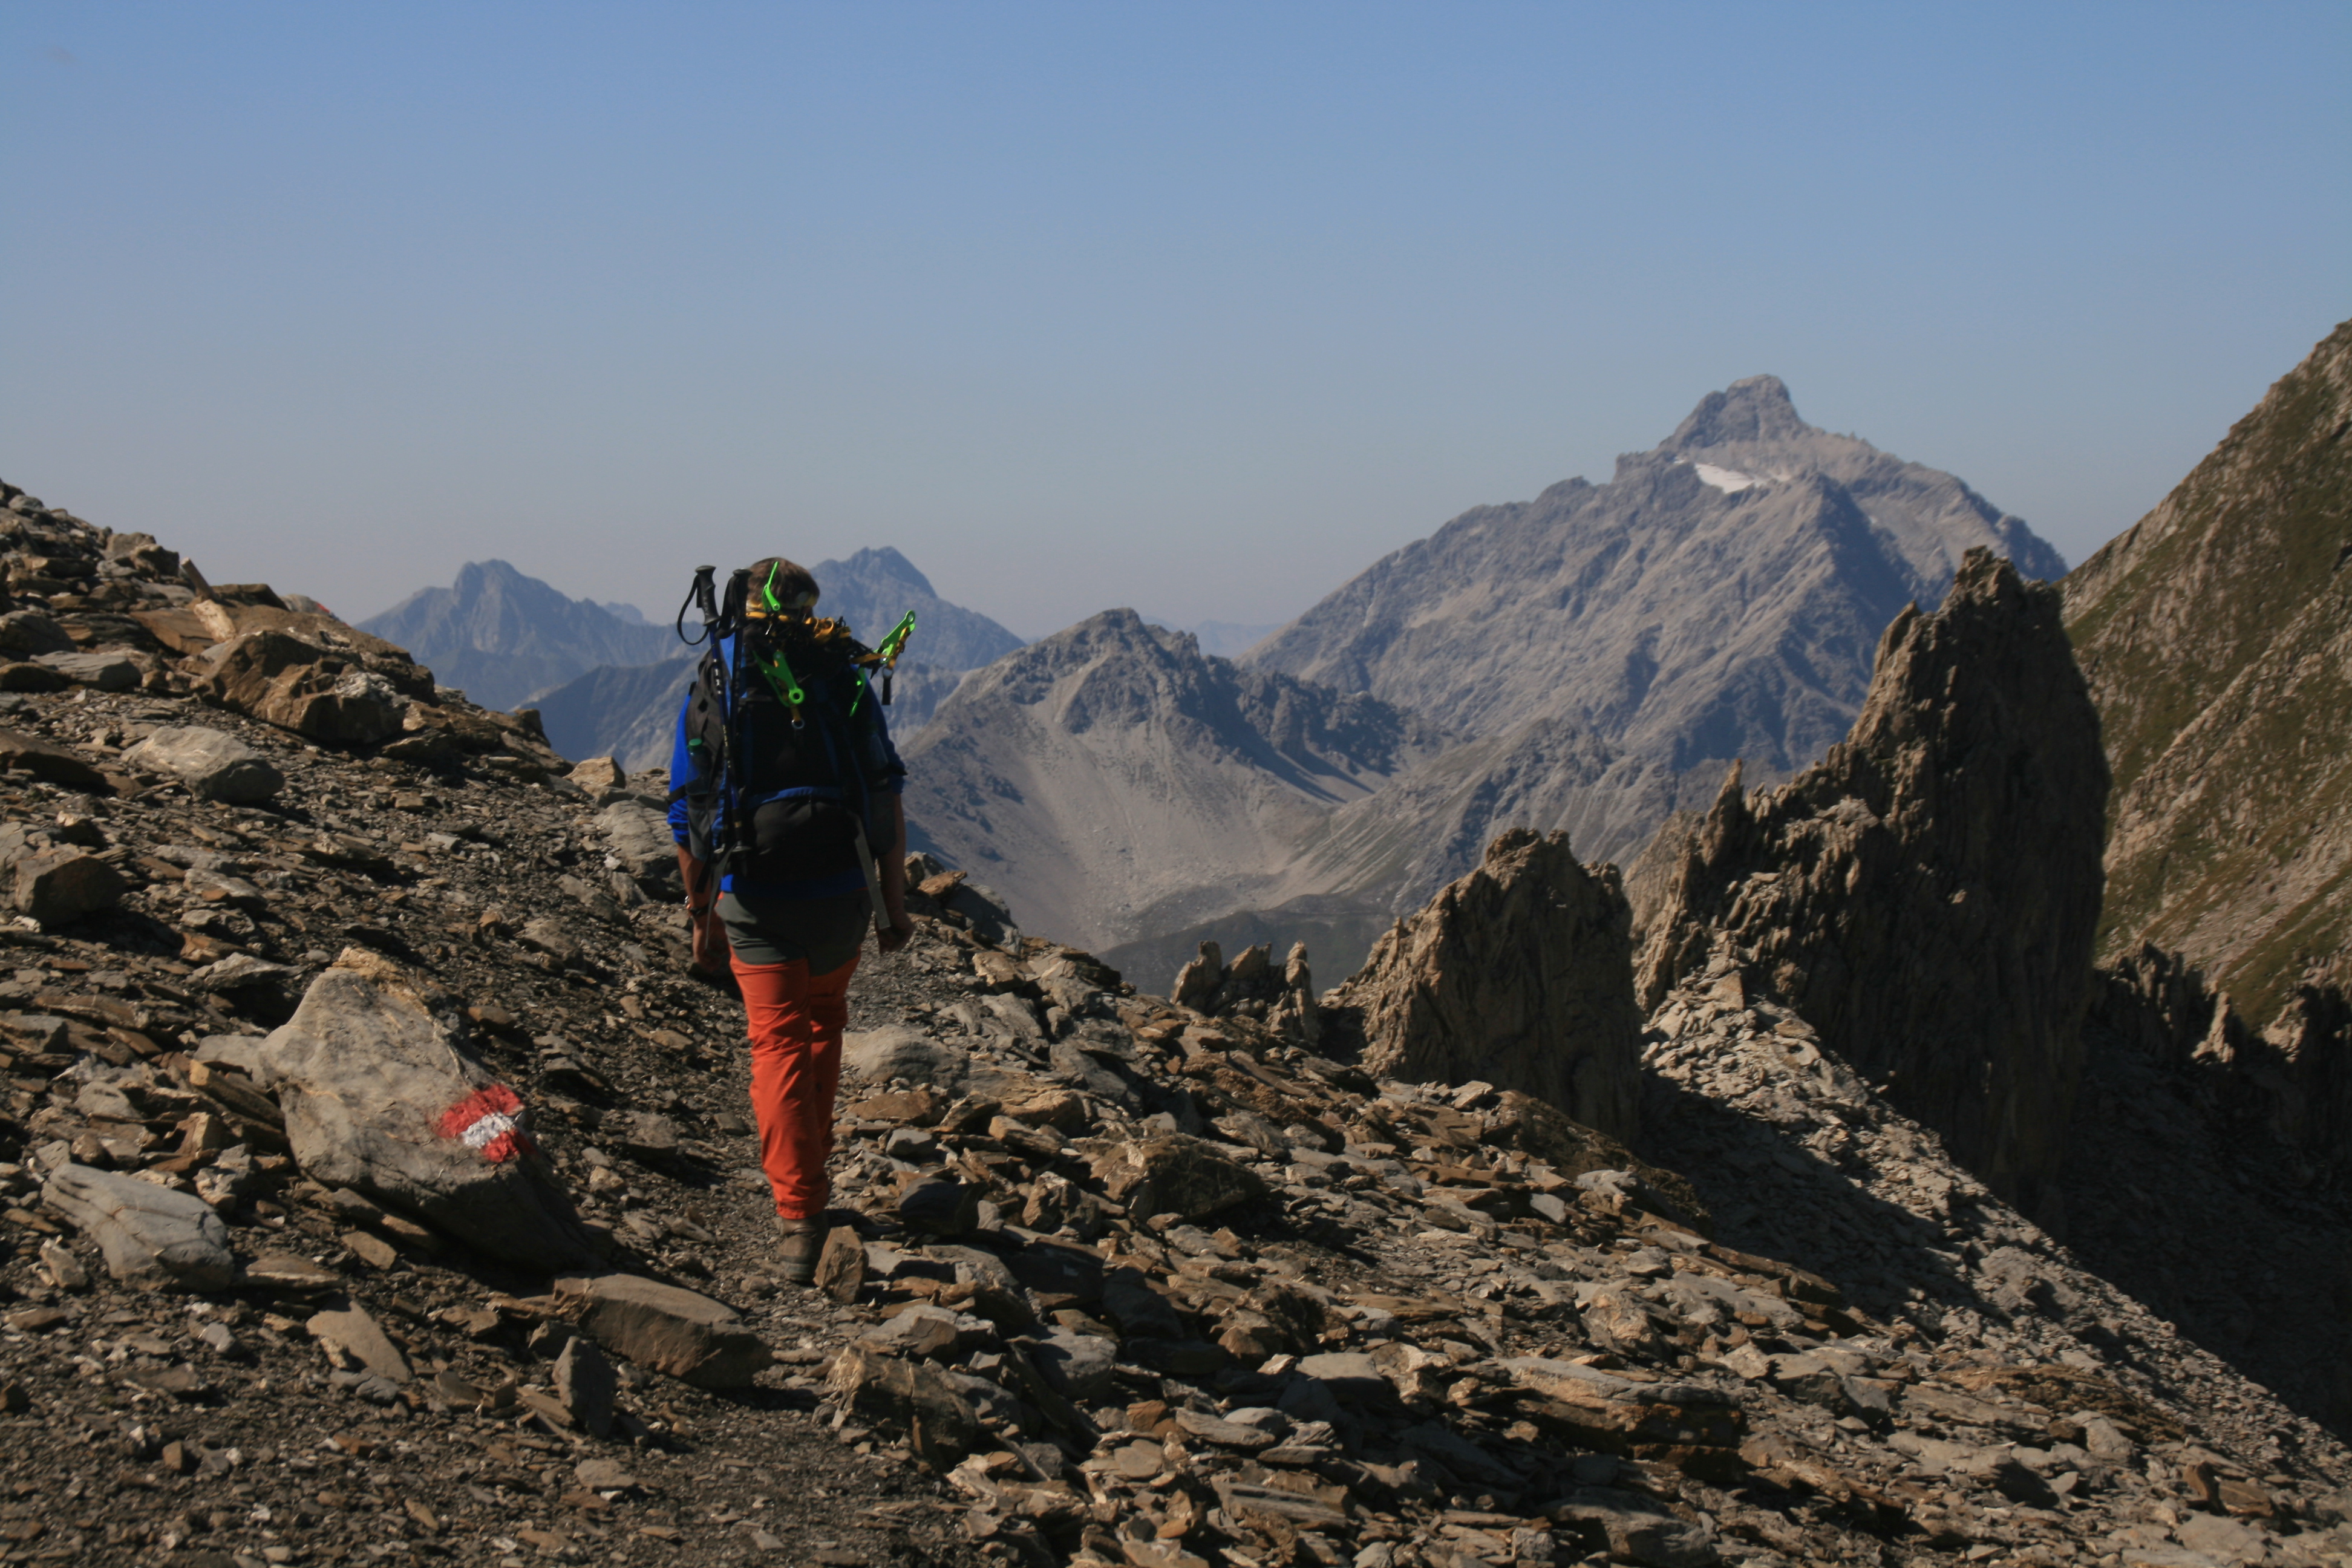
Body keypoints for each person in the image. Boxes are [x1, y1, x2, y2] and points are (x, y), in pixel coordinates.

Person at [668, 556, 915, 1283]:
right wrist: (893, 910)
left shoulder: (718, 682)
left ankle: (799, 1213)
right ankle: (813, 1164)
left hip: (756, 897)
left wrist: (700, 917)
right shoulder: (841, 675)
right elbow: (885, 798)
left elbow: (690, 812)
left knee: (775, 1045)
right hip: (842, 894)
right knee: (824, 1022)